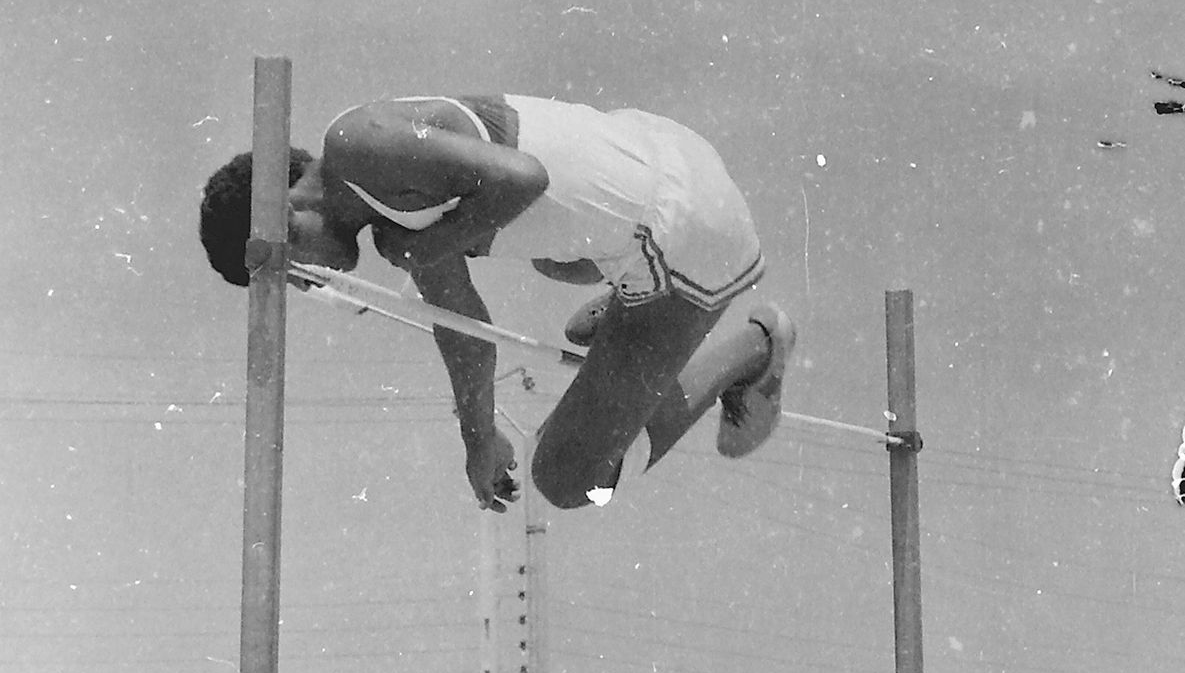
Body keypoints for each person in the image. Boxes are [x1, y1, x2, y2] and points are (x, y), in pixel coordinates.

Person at [200, 92, 794, 512]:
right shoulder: (388, 218)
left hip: (683, 233)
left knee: (569, 480)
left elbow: (522, 178)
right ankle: (624, 309)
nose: (310, 285)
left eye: (292, 277)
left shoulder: (356, 146)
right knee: (550, 258)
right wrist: (478, 441)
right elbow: (464, 330)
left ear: (283, 219)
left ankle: (756, 351)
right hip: (663, 168)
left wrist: (431, 245)